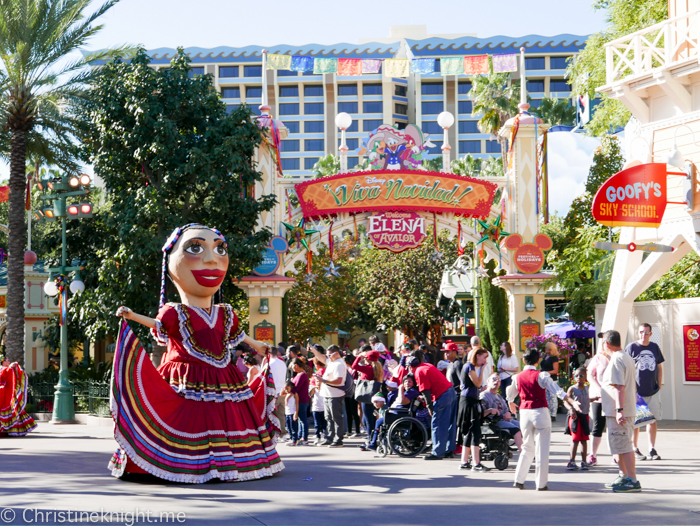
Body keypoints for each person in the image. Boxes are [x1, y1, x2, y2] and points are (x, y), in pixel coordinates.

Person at [113, 223, 282, 482]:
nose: (212, 259)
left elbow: (234, 336)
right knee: (180, 415)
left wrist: (257, 344)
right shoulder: (173, 312)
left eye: (220, 249)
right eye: (195, 248)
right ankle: (173, 463)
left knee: (226, 419)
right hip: (185, 375)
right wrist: (133, 316)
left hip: (224, 377)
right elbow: (160, 327)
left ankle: (229, 465)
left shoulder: (226, 312)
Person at [506, 348, 581, 491]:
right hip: (540, 411)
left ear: (523, 360)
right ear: (538, 361)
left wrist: (510, 402)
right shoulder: (542, 376)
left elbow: (511, 394)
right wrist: (572, 402)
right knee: (542, 449)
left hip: (525, 413)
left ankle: (519, 479)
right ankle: (540, 484)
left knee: (527, 447)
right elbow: (558, 391)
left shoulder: (517, 377)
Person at [601, 330, 641, 493]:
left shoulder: (618, 359)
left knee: (624, 445)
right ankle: (624, 476)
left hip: (620, 412)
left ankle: (632, 479)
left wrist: (619, 410)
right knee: (619, 445)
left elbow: (619, 387)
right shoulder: (624, 357)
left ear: (607, 344)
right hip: (620, 410)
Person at [409, 352, 458, 460]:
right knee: (450, 423)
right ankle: (449, 449)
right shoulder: (427, 366)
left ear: (410, 367)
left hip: (443, 396)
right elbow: (433, 383)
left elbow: (425, 390)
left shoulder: (418, 372)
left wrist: (429, 407)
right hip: (451, 392)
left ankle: (437, 452)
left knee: (437, 424)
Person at [626, 323, 664, 461]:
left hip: (652, 391)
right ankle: (634, 448)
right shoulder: (631, 347)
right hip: (637, 393)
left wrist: (659, 384)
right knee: (636, 422)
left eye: (646, 333)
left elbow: (659, 367)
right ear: (638, 332)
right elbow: (626, 369)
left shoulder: (654, 347)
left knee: (652, 421)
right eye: (641, 332)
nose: (643, 335)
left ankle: (651, 449)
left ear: (650, 334)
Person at [458, 348, 490, 472]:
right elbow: (477, 383)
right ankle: (476, 463)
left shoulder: (469, 366)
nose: (484, 360)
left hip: (469, 400)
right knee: (475, 431)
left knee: (470, 432)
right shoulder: (469, 366)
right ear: (477, 356)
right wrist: (482, 369)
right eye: (484, 357)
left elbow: (473, 386)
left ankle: (464, 461)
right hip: (468, 402)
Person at [310, 344, 347, 447]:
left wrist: (323, 380)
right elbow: (322, 358)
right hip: (327, 394)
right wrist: (313, 350)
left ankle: (338, 439)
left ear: (336, 353)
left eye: (330, 355)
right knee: (328, 418)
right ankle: (330, 437)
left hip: (335, 395)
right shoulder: (332, 361)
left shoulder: (339, 364)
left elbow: (339, 381)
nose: (328, 357)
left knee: (336, 418)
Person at [480, 374, 523, 451]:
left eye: (499, 380)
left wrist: (508, 413)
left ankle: (529, 450)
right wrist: (490, 410)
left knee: (524, 427)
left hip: (505, 420)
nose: (497, 381)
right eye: (494, 379)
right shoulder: (484, 395)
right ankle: (523, 452)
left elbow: (506, 409)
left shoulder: (499, 396)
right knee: (516, 430)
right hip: (493, 421)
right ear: (488, 381)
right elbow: (480, 413)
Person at [586, 339, 611, 466]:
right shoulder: (597, 358)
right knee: (598, 425)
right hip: (598, 397)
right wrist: (597, 388)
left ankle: (615, 455)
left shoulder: (615, 357)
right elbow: (590, 375)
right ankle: (593, 455)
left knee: (613, 426)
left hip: (613, 397)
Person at [0, 359, 37, 437]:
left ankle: (9, 430)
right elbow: (3, 376)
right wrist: (10, 368)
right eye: (7, 360)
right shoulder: (2, 369)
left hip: (8, 394)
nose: (8, 361)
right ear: (3, 361)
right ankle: (5, 430)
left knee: (15, 409)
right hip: (4, 395)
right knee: (11, 410)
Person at [353, 348, 384, 439]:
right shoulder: (378, 367)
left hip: (366, 396)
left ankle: (371, 438)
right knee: (371, 418)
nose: (364, 359)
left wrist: (359, 357)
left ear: (369, 359)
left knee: (367, 419)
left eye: (366, 358)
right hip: (373, 395)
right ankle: (373, 436)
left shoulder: (369, 368)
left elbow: (354, 366)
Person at [564, 367, 591, 471]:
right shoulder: (572, 388)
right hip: (575, 417)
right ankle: (572, 461)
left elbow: (588, 399)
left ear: (585, 377)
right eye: (576, 376)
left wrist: (597, 398)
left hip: (585, 416)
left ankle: (584, 461)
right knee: (575, 439)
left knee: (584, 439)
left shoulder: (588, 389)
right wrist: (571, 409)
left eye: (581, 375)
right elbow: (565, 401)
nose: (578, 378)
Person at [269, 346, 288, 438]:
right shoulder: (282, 363)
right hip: (282, 390)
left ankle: (274, 433)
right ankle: (283, 433)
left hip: (274, 391)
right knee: (281, 414)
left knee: (272, 414)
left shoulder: (270, 363)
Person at [291, 358, 311, 445]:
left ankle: (304, 438)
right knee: (300, 419)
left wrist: (288, 391)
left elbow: (296, 387)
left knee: (302, 419)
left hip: (302, 400)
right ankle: (300, 437)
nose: (292, 369)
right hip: (299, 400)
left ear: (296, 366)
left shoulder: (302, 375)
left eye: (292, 367)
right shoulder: (299, 374)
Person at [309, 356, 327, 445]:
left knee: (323, 422)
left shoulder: (324, 388)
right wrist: (314, 387)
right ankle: (317, 436)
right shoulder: (315, 388)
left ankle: (324, 435)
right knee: (317, 423)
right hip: (316, 405)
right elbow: (311, 393)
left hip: (323, 405)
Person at [540, 342, 560, 421]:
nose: (545, 349)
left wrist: (545, 372)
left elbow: (555, 370)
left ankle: (553, 414)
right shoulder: (546, 357)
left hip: (552, 379)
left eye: (547, 348)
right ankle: (548, 412)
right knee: (546, 397)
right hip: (545, 379)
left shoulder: (554, 358)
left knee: (553, 396)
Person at [343, 354, 362, 437]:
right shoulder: (347, 370)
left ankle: (357, 430)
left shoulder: (355, 370)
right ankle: (349, 430)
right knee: (348, 412)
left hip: (354, 392)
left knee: (354, 411)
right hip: (347, 392)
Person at [282, 380, 299, 446]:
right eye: (285, 389)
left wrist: (296, 413)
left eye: (287, 388)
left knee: (293, 427)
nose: (286, 390)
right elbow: (281, 394)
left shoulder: (295, 394)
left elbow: (297, 404)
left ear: (291, 387)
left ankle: (294, 440)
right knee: (288, 427)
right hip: (287, 413)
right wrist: (283, 388)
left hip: (292, 413)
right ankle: (291, 438)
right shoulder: (287, 394)